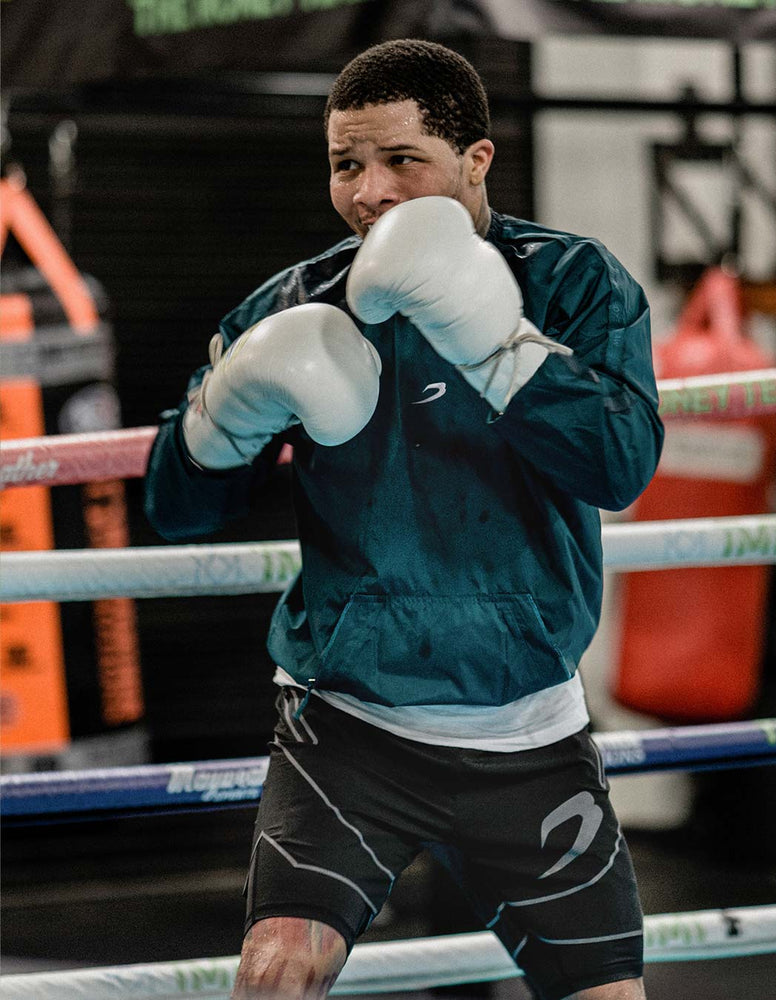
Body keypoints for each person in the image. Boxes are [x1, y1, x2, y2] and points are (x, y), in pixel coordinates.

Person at [144, 39, 664, 1000]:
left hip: (528, 741)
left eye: (400, 160)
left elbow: (620, 466)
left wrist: (498, 346)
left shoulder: (573, 283)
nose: (369, 191)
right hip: (349, 732)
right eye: (347, 164)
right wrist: (222, 419)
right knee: (276, 971)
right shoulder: (296, 304)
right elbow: (175, 510)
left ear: (477, 160)